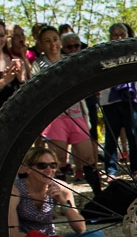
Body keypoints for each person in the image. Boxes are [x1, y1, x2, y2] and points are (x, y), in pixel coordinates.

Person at [33, 26, 101, 194]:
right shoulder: (39, 64)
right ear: (41, 44)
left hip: (77, 114)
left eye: (55, 39)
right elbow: (35, 88)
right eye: (47, 41)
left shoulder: (70, 60)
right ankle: (61, 201)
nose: (52, 44)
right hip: (55, 117)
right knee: (59, 160)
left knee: (88, 157)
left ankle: (99, 196)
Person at [8, 146, 104, 237]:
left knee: (97, 234)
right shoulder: (15, 191)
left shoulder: (61, 188)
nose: (49, 170)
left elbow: (81, 228)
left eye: (53, 165)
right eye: (42, 165)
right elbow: (13, 235)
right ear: (28, 169)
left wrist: (63, 201)